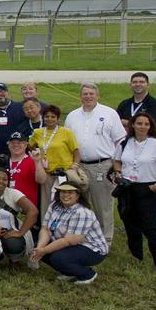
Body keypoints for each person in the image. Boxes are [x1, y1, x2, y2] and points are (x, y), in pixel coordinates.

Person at [64, 83, 127, 240]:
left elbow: (120, 140)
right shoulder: (72, 116)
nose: (88, 96)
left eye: (91, 93)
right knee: (79, 203)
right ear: (80, 96)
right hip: (78, 166)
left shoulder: (109, 114)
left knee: (103, 204)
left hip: (102, 166)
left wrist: (116, 164)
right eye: (85, 94)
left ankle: (105, 238)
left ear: (97, 96)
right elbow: (67, 141)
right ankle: (82, 236)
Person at [31, 182, 108, 284]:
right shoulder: (54, 206)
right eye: (63, 192)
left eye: (70, 192)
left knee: (58, 258)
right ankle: (68, 272)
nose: (65, 195)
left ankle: (87, 274)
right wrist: (40, 248)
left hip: (92, 249)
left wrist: (44, 250)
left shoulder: (82, 213)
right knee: (38, 245)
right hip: (67, 243)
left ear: (78, 195)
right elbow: (45, 229)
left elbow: (69, 241)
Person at [0, 168, 39, 265]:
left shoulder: (13, 193)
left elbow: (33, 211)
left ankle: (15, 260)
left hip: (9, 234)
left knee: (13, 243)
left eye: (4, 179)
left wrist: (20, 232)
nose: (1, 181)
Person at [29, 104, 80, 216]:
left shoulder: (67, 132)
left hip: (64, 174)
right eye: (47, 116)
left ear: (58, 118)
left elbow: (76, 152)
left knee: (66, 202)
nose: (50, 119)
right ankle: (46, 229)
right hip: (47, 174)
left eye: (53, 116)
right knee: (47, 205)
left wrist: (74, 166)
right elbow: (30, 146)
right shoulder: (38, 132)